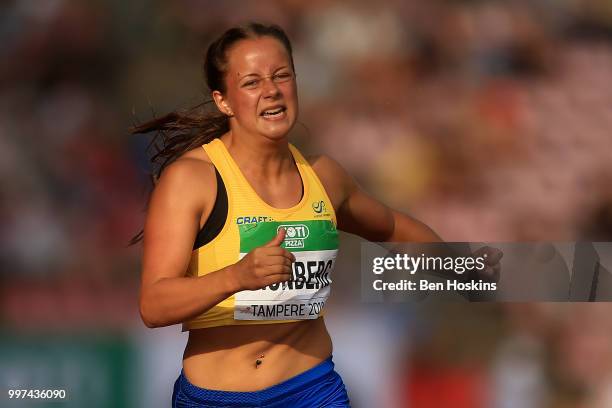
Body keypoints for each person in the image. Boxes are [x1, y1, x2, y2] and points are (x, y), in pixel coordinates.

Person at [133, 22, 496, 408]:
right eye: (252, 82)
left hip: (311, 392)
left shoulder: (325, 178)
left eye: (281, 75)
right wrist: (237, 277)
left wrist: (469, 269)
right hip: (214, 398)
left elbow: (393, 229)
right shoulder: (192, 180)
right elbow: (154, 305)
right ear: (223, 101)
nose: (271, 90)